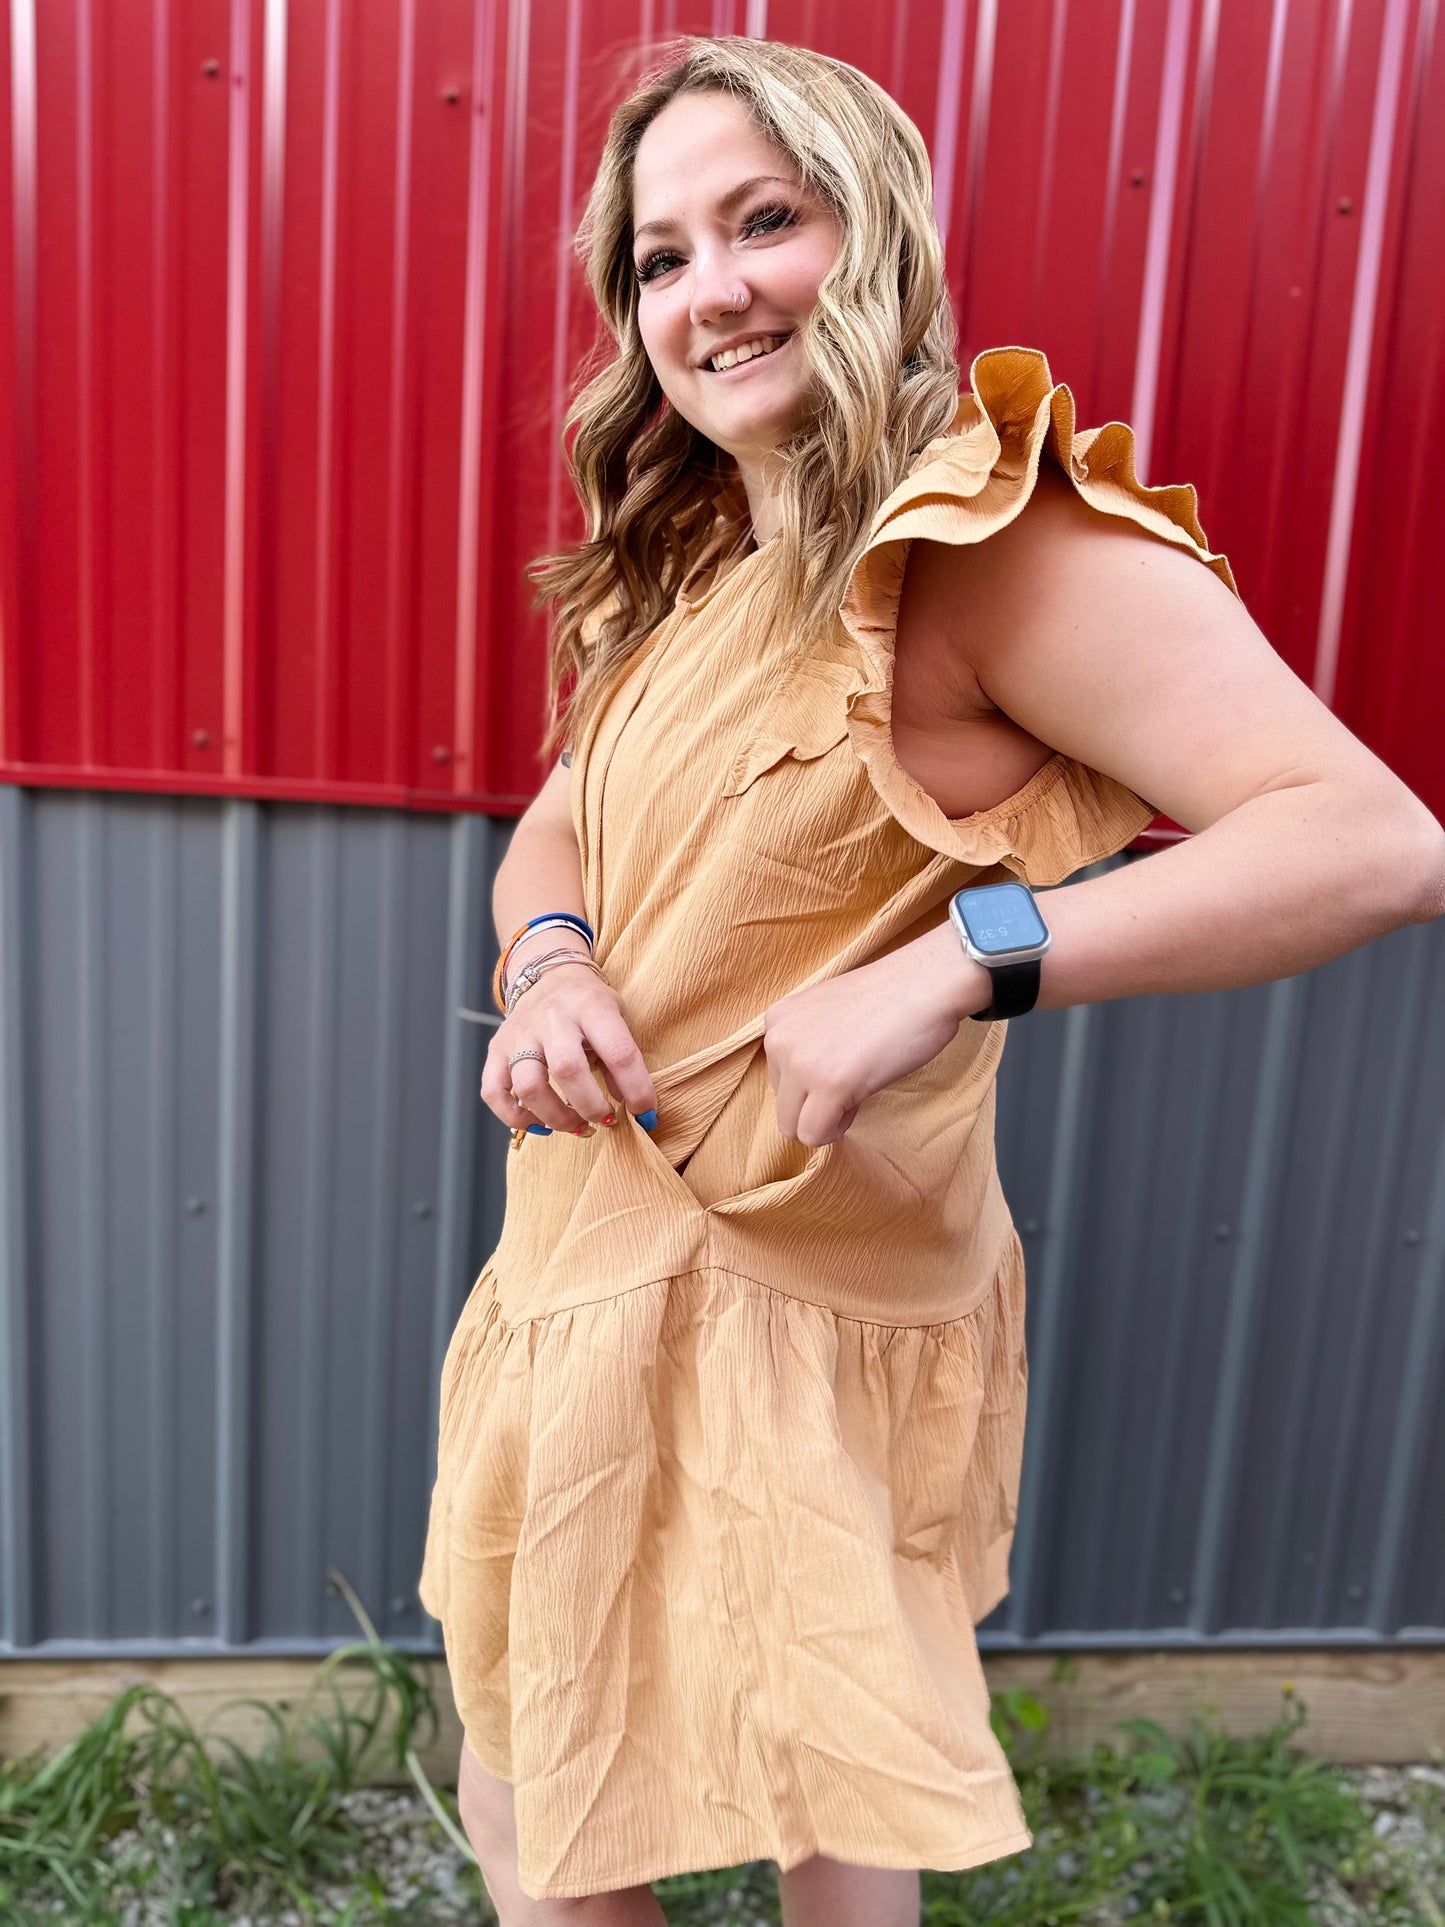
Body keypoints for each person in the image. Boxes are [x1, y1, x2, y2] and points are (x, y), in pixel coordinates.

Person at [417, 35, 1445, 1927]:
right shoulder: (720, 555)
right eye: (657, 258)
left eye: (762, 219)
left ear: (868, 223)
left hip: (793, 1289)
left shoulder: (983, 543)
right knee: (543, 1779)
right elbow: (554, 827)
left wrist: (964, 962)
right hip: (586, 1269)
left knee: (804, 1799)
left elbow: (1368, 842)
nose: (708, 288)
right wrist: (547, 960)